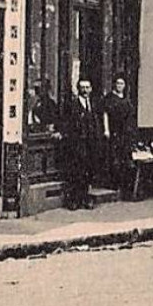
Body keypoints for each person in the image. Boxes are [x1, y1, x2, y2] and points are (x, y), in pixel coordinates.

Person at [63, 78, 98, 210]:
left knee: (87, 172)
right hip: (77, 143)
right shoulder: (73, 104)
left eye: (87, 87)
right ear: (78, 89)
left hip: (90, 143)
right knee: (76, 171)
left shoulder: (92, 104)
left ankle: (85, 198)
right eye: (82, 87)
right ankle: (74, 200)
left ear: (91, 89)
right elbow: (68, 123)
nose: (85, 90)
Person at [102, 75, 137, 197]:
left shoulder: (126, 100)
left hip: (125, 132)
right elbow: (105, 114)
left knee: (125, 157)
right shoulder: (110, 98)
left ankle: (124, 186)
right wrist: (106, 129)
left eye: (122, 84)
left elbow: (130, 116)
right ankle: (113, 184)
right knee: (114, 157)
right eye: (118, 84)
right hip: (114, 130)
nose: (119, 86)